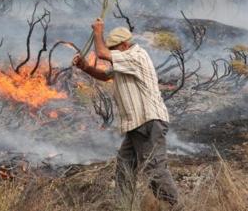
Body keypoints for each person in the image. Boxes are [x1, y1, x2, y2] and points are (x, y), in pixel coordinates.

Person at [72, 18, 179, 207]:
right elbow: (105, 76)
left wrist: (98, 31)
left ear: (125, 44)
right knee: (125, 166)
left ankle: (175, 205)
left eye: (115, 48)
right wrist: (85, 67)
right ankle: (124, 206)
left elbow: (102, 53)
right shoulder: (125, 61)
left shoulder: (136, 56)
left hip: (148, 121)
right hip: (136, 124)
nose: (112, 52)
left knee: (154, 168)